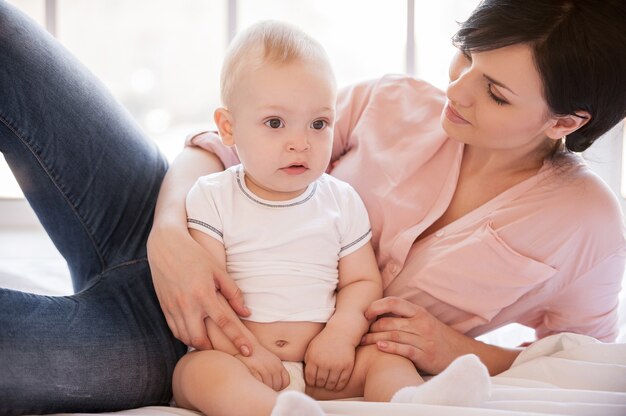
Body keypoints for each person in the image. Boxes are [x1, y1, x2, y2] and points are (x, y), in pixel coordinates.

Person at [0, 0, 624, 414]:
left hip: (203, 345)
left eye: (494, 92)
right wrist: (169, 235)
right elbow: (221, 144)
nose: (455, 91)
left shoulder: (586, 225)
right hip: (167, 218)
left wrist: (450, 346)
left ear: (565, 121)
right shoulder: (393, 100)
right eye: (467, 57)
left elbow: (575, 360)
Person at [173, 21, 489, 416]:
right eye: (275, 123)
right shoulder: (213, 195)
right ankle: (274, 411)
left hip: (327, 366)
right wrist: (247, 353)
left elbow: (360, 280)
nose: (301, 142)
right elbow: (208, 294)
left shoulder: (340, 199)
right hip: (242, 360)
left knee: (384, 360)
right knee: (198, 374)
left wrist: (340, 335)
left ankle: (416, 404)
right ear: (228, 128)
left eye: (319, 124)